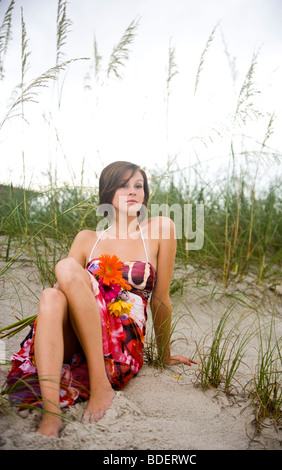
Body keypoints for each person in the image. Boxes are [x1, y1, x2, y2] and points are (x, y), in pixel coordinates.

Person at [6, 161, 195, 437]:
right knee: (51, 294)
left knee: (66, 270)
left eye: (138, 186)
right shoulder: (87, 239)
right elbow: (63, 295)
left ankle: (100, 384)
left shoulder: (159, 229)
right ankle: (51, 413)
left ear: (145, 194)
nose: (133, 191)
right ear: (108, 192)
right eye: (123, 184)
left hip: (122, 341)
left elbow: (160, 300)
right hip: (79, 338)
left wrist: (164, 355)